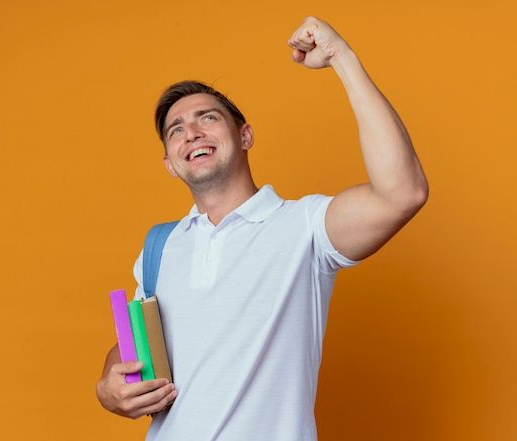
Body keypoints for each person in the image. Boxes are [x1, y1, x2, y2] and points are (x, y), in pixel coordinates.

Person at [96, 16, 428, 441]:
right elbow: (133, 348)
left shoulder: (305, 227)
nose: (191, 133)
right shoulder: (159, 247)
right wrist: (108, 385)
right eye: (176, 130)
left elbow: (403, 193)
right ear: (170, 163)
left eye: (207, 118)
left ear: (245, 135)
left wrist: (341, 58)